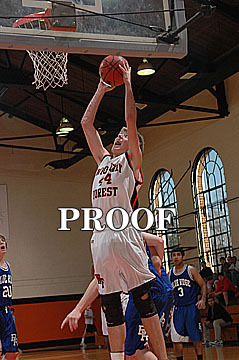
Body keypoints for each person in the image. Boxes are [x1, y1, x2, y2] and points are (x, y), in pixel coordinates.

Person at [79, 60, 165, 360]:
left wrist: (128, 83)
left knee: (143, 303)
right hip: (100, 238)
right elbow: (86, 124)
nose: (119, 135)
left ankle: (163, 358)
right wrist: (102, 89)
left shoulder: (132, 163)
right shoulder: (103, 161)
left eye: (124, 135)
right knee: (111, 307)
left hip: (125, 235)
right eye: (117, 134)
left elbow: (131, 119)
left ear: (134, 146)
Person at [61, 233, 171, 360]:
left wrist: (78, 309)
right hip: (162, 289)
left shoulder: (113, 239)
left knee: (133, 350)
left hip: (145, 292)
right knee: (146, 345)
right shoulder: (131, 234)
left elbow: (98, 281)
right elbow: (158, 248)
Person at [169, 247, 206, 360]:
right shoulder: (170, 273)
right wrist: (170, 308)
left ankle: (199, 358)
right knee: (176, 339)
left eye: (178, 255)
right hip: (178, 308)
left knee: (196, 338)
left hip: (191, 307)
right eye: (174, 255)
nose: (176, 257)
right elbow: (170, 293)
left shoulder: (190, 270)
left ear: (183, 257)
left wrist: (203, 299)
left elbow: (203, 285)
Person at [0, 235, 18, 360]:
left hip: (6, 311)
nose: (1, 243)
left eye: (2, 241)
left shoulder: (8, 265)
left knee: (13, 352)